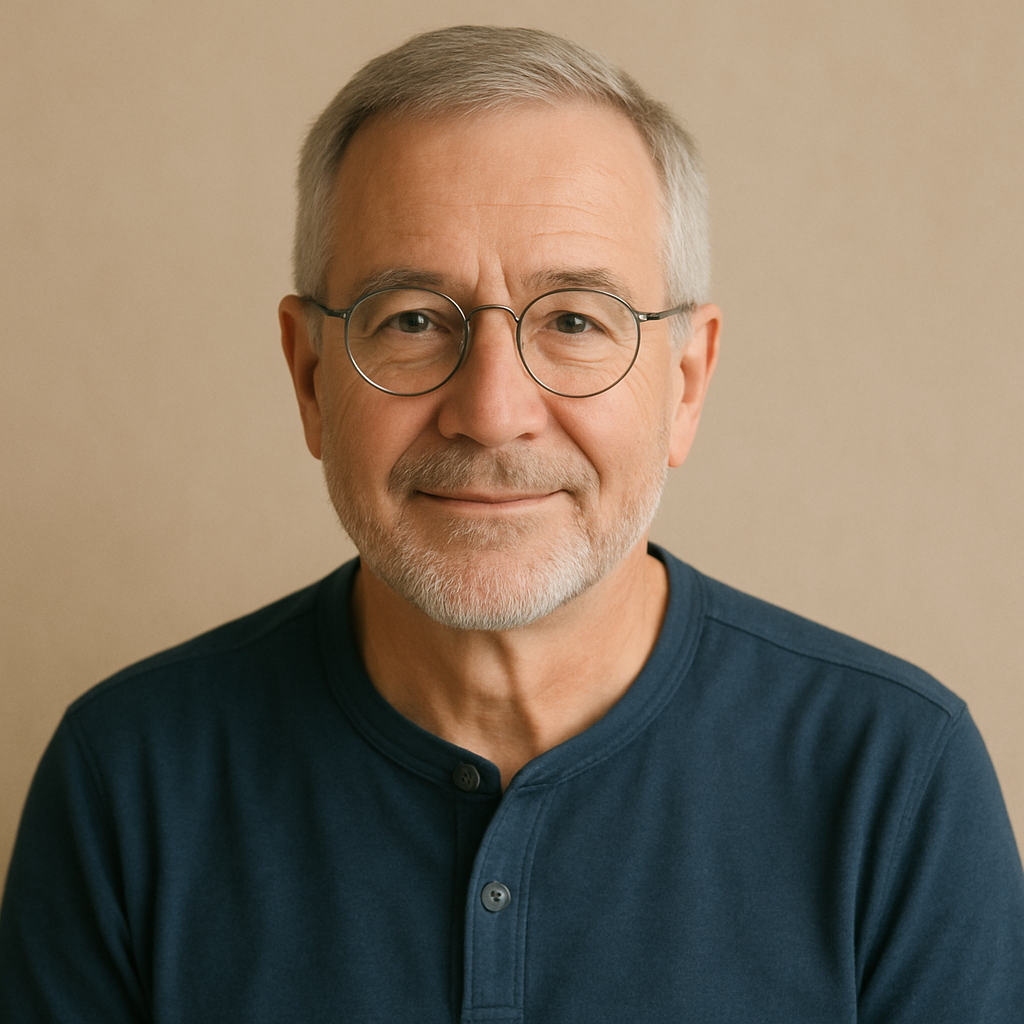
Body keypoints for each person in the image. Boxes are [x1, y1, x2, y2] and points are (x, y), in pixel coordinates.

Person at [1, 24, 1021, 1023]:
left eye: (574, 319)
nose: (490, 410)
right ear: (309, 375)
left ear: (687, 380)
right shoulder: (125, 780)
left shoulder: (894, 784)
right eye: (410, 319)